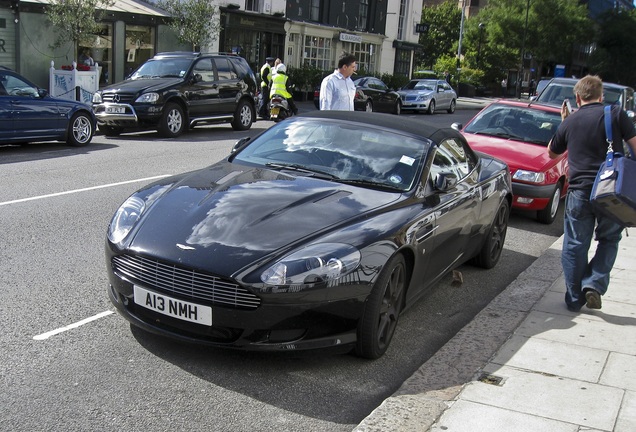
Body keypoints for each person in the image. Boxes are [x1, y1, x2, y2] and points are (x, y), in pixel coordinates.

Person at [548, 75, 636, 312]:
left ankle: (574, 297)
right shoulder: (616, 114)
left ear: (577, 97)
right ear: (601, 95)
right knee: (609, 239)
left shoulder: (570, 121)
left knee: (576, 243)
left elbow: (552, 154)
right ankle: (594, 284)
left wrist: (564, 122)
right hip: (611, 191)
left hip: (579, 190)